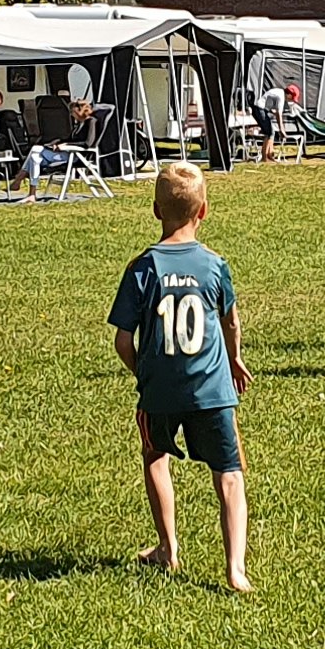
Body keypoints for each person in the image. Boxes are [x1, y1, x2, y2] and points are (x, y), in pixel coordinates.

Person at [108, 160, 251, 594]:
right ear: (204, 210)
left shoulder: (142, 267)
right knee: (229, 473)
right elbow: (230, 322)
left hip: (160, 390)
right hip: (211, 388)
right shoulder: (214, 265)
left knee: (155, 457)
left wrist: (145, 372)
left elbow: (122, 340)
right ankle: (235, 568)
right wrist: (234, 359)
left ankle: (167, 548)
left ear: (155, 210)